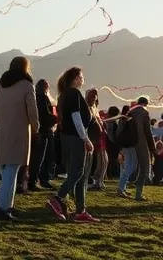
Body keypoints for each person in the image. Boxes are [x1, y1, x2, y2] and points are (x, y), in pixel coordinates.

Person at [45, 67, 99, 222]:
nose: (83, 79)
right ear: (75, 78)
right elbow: (76, 117)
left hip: (68, 137)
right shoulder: (73, 93)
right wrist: (85, 139)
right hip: (75, 137)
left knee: (79, 175)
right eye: (81, 76)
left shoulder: (63, 95)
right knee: (77, 172)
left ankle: (80, 210)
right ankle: (58, 197)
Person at [0, 56, 39, 221]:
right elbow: (32, 109)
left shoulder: (2, 84)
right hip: (19, 130)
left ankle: (8, 205)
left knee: (8, 168)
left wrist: (0, 120)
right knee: (12, 170)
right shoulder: (27, 85)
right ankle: (2, 207)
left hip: (4, 129)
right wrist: (35, 126)